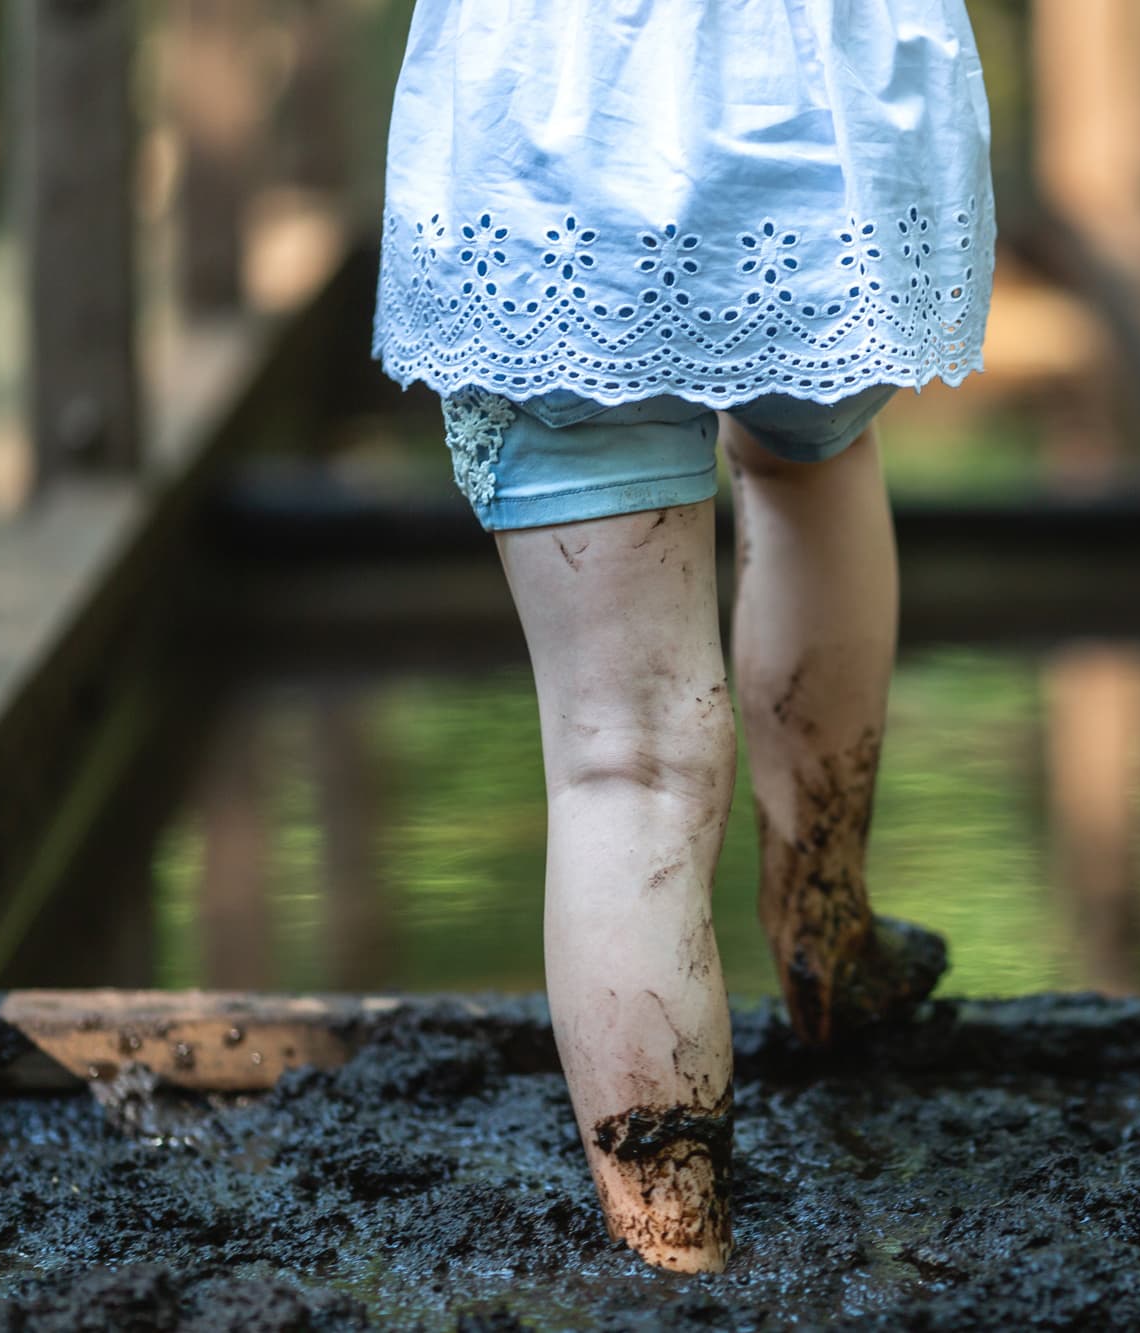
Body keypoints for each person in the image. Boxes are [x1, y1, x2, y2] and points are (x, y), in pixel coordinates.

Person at [371, 0, 996, 1273]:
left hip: (556, 138)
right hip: (819, 108)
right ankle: (825, 928)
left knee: (626, 755)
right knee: (809, 461)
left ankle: (676, 1248)